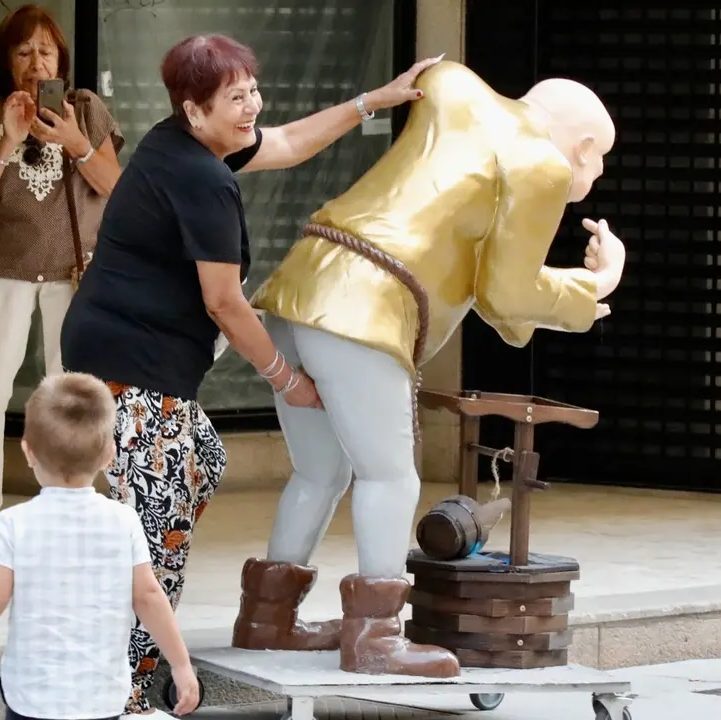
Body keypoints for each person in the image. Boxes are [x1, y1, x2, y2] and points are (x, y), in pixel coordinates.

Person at [58, 34, 442, 717]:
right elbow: (224, 302)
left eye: (253, 91)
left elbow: (288, 143)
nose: (253, 107)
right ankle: (124, 696)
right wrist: (285, 378)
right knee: (158, 531)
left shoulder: (183, 142)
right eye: (235, 97)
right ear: (194, 110)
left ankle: (152, 638)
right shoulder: (201, 178)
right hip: (129, 365)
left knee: (201, 460)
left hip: (130, 357)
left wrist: (373, 101)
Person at [231, 63, 626, 677]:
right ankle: (375, 638)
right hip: (365, 309)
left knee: (320, 469)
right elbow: (508, 294)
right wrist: (597, 282)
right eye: (600, 161)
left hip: (304, 282)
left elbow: (486, 276)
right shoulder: (542, 165)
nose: (595, 174)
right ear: (584, 147)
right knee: (390, 477)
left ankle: (267, 619)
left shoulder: (458, 89)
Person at [0, 4, 125, 556]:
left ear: (61, 60)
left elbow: (118, 190)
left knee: (71, 394)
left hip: (76, 274)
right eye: (24, 51)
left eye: (46, 51)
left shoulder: (86, 111)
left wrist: (76, 142)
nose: (36, 62)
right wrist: (7, 140)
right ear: (6, 61)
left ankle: (72, 503)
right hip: (3, 271)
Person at [0, 373, 200, 720]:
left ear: (28, 452)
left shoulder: (14, 523)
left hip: (33, 698)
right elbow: (149, 596)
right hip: (101, 698)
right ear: (109, 455)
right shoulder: (123, 520)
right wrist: (181, 664)